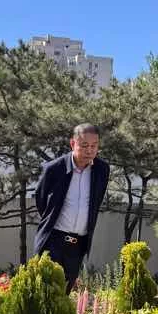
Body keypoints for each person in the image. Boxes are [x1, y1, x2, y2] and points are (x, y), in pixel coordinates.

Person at [33, 123, 110, 290]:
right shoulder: (54, 169)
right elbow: (41, 199)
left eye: (94, 146)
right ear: (72, 143)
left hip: (78, 245)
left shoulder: (102, 170)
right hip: (53, 242)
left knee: (64, 293)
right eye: (84, 145)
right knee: (45, 292)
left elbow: (95, 202)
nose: (90, 150)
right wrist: (51, 219)